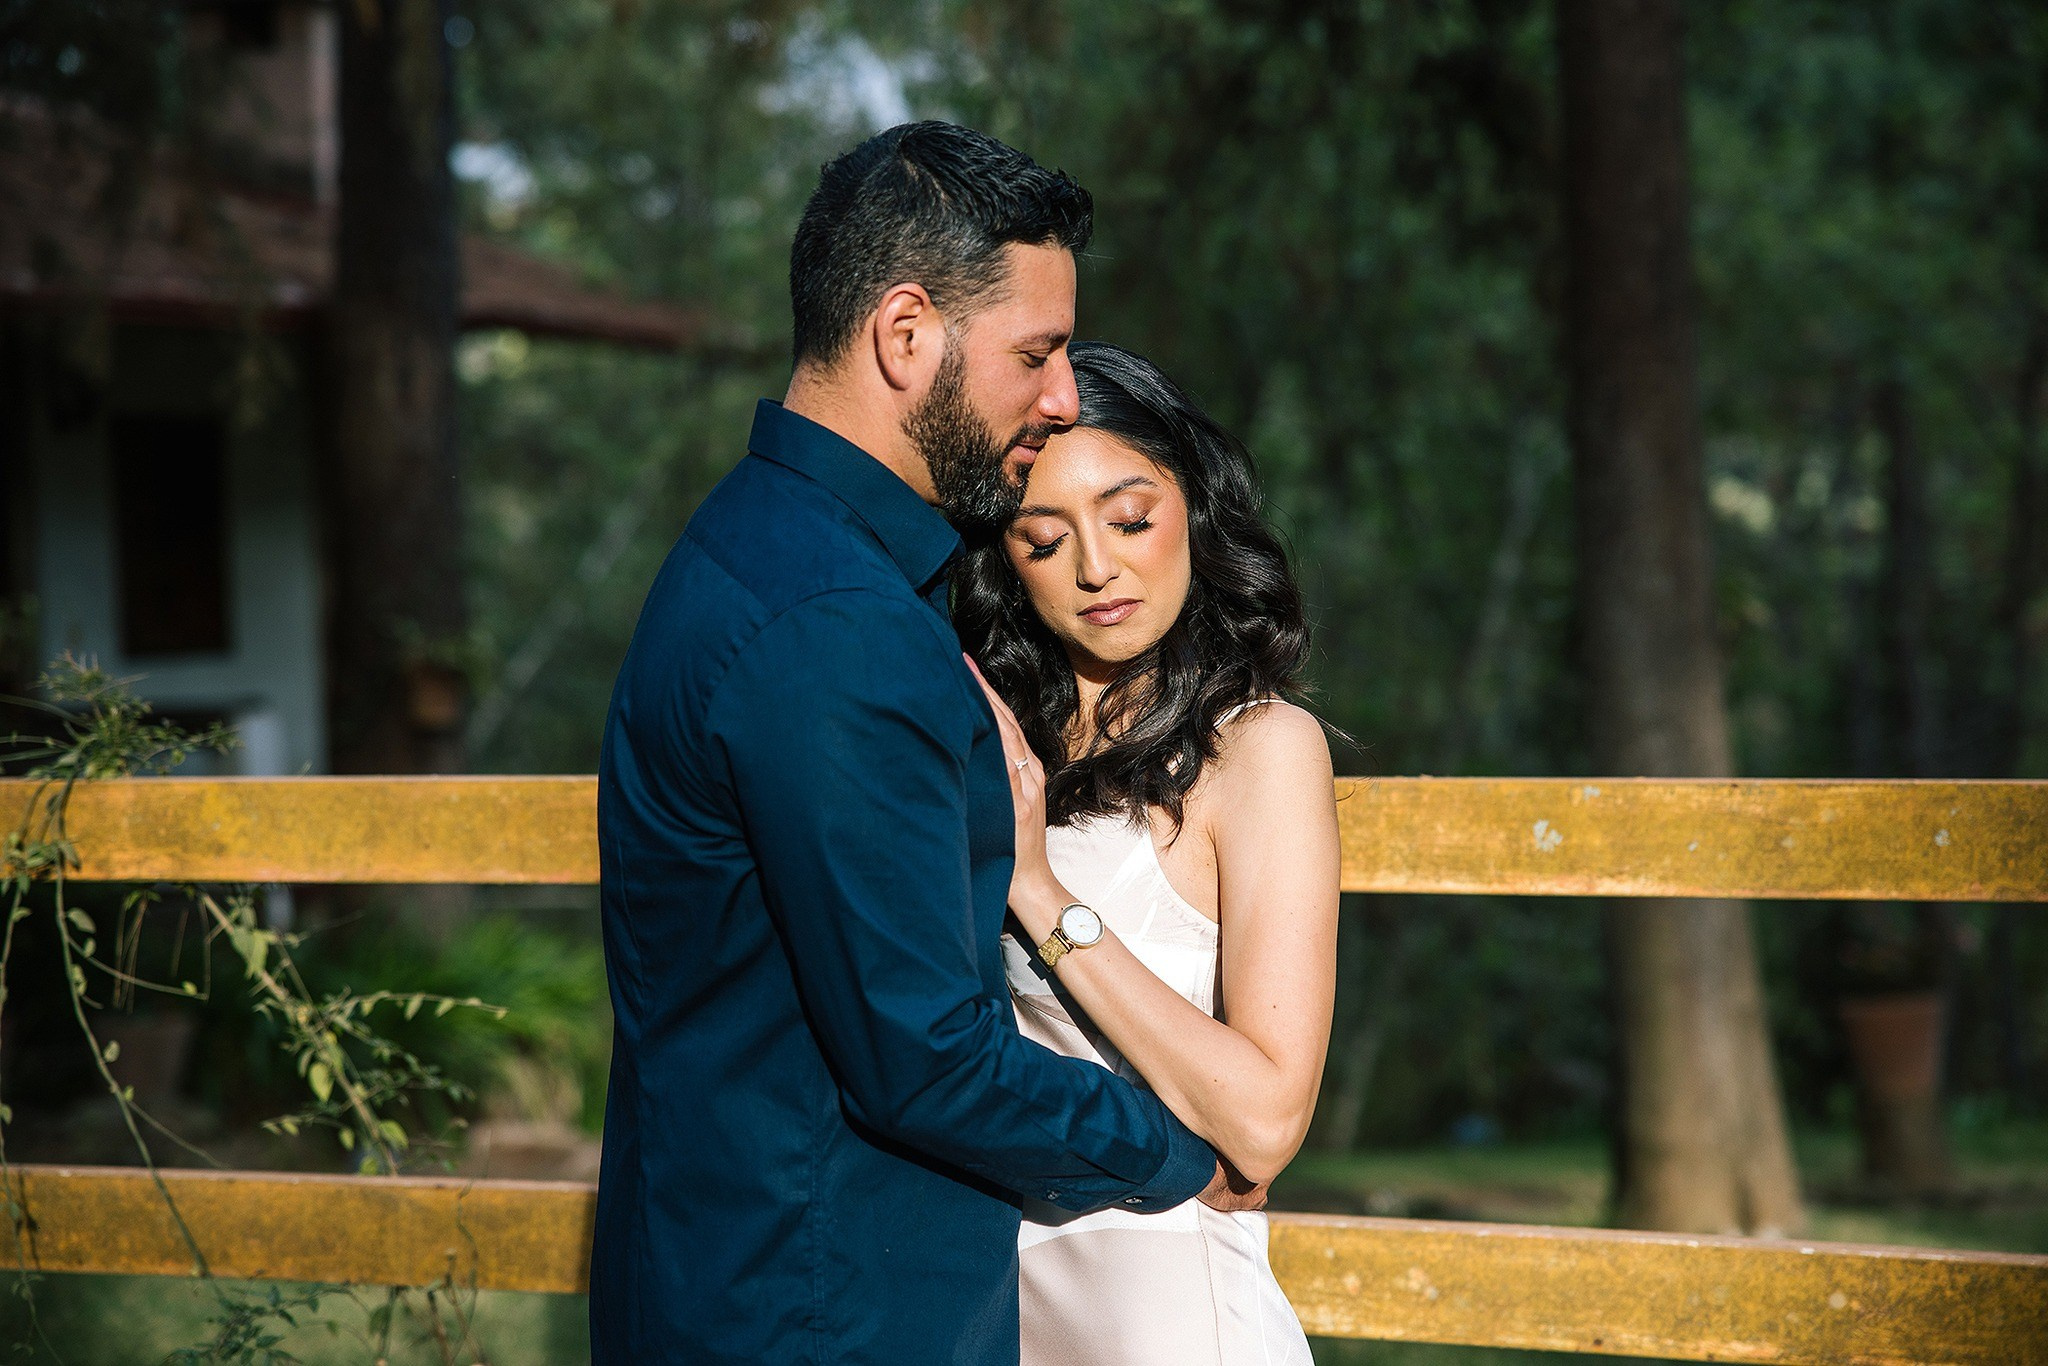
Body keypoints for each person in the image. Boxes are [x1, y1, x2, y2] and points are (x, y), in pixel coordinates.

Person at [591, 123, 1261, 1365]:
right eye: (1036, 352)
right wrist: (1177, 1153)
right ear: (906, 333)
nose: (1060, 395)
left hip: (727, 1270)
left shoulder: (751, 547)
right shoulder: (836, 624)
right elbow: (925, 1058)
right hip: (819, 1312)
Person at [956, 341, 1341, 1366]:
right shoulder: (984, 736)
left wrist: (1038, 892)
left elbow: (1262, 1124)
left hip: (1165, 1308)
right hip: (994, 1294)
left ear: (1193, 508)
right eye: (1044, 540)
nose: (1096, 567)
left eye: (1129, 518)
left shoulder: (1258, 749)